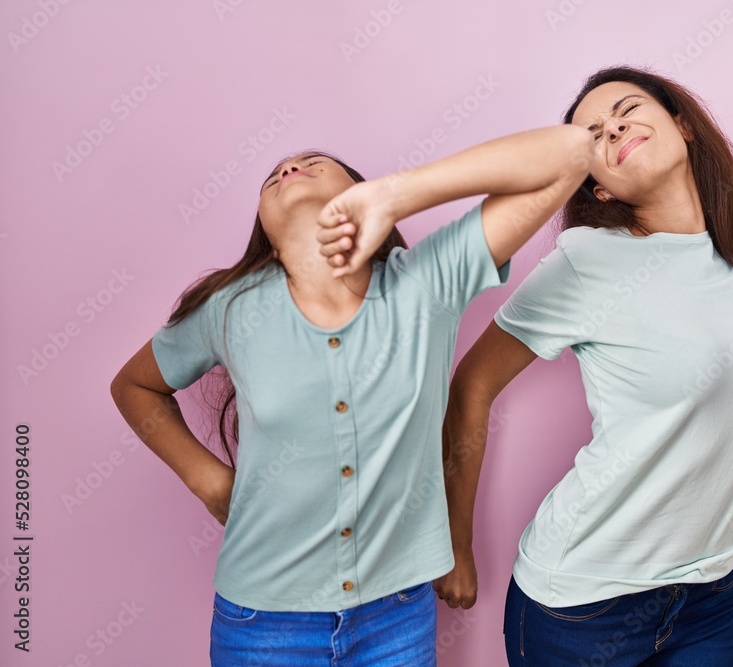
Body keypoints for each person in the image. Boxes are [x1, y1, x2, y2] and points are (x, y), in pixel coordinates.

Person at [432, 30, 733, 666]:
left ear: (683, 125)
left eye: (626, 111)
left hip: (707, 596)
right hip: (579, 603)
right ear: (599, 188)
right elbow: (472, 385)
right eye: (594, 137)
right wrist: (457, 543)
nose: (612, 130)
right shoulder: (587, 262)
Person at [109, 123, 594, 666]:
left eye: (314, 159)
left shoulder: (428, 283)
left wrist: (397, 193)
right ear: (267, 237)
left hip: (398, 615)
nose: (290, 165)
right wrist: (205, 477)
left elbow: (572, 151)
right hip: (262, 623)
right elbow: (135, 386)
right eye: (274, 174)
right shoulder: (229, 309)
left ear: (361, 193)